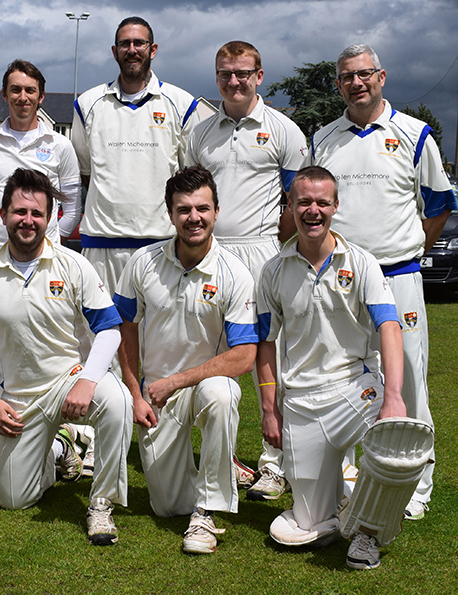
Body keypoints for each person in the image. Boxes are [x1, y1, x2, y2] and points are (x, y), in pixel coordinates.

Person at [310, 44, 457, 520]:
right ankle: (349, 479)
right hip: (343, 279)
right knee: (345, 377)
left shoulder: (414, 134)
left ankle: (416, 485)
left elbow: (438, 207)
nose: (356, 83)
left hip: (398, 277)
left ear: (381, 77)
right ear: (338, 84)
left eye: (364, 74)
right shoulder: (324, 138)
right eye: (347, 76)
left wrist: (409, 253)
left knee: (407, 379)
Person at [0, 168, 132, 545]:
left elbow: (109, 329)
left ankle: (101, 503)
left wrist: (87, 381)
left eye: (37, 213)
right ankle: (59, 448)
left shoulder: (74, 265)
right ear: (2, 214)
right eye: (19, 212)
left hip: (69, 381)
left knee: (117, 400)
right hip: (19, 399)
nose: (28, 220)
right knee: (11, 500)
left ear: (50, 217)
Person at [256, 166, 407, 569]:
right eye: (304, 201)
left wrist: (393, 396)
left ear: (335, 206)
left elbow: (389, 327)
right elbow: (266, 343)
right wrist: (270, 409)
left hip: (356, 387)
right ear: (290, 205)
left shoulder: (361, 262)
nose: (313, 210)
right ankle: (344, 498)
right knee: (310, 522)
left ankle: (368, 533)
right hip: (302, 402)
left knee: (396, 441)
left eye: (322, 202)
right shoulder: (273, 270)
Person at [185, 41, 308, 500]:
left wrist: (273, 240)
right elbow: (192, 197)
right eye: (225, 74)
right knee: (214, 358)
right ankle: (225, 458)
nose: (233, 82)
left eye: (242, 73)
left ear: (259, 76)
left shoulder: (284, 130)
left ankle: (276, 463)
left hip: (261, 255)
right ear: (216, 77)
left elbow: (298, 201)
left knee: (270, 358)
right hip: (212, 256)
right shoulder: (199, 133)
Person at [114, 165, 258, 554]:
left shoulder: (235, 273)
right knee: (167, 507)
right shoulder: (142, 262)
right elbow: (124, 328)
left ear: (216, 211)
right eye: (184, 210)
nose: (194, 218)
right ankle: (219, 469)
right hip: (156, 396)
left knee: (222, 394)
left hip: (203, 385)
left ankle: (207, 511)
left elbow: (245, 356)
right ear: (170, 213)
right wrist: (136, 394)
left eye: (202, 208)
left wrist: (176, 381)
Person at [0, 59, 82, 475]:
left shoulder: (59, 145)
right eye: (15, 90)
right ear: (5, 95)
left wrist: (49, 239)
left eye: (30, 90)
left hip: (45, 258)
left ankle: (58, 438)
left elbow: (71, 205)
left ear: (40, 96)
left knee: (46, 346)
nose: (22, 97)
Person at [71, 16, 202, 300]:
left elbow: (189, 176)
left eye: (139, 43)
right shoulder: (87, 104)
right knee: (103, 327)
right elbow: (86, 171)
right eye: (125, 44)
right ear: (114, 51)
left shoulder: (182, 104)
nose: (132, 50)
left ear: (152, 49)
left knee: (158, 327)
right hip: (102, 244)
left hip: (161, 243)